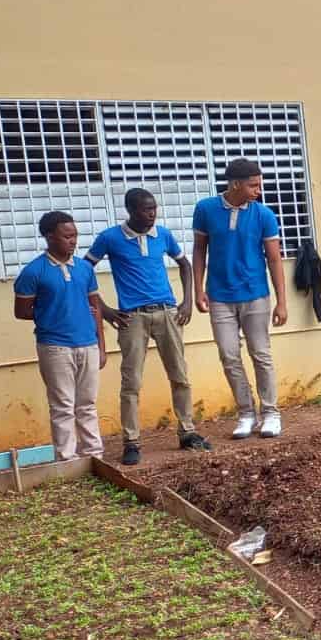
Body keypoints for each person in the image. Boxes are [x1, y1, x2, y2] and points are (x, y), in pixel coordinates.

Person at [86, 189, 211, 465]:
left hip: (167, 313)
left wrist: (187, 301)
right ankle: (131, 441)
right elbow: (85, 271)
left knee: (180, 375)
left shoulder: (163, 234)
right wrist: (105, 310)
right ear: (131, 210)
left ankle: (187, 432)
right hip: (132, 317)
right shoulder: (110, 238)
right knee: (131, 381)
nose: (152, 213)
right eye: (146, 209)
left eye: (154, 208)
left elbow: (185, 264)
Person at [192, 158, 288, 440]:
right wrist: (198, 289)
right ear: (235, 184)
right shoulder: (206, 209)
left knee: (261, 354)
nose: (259, 189)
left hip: (255, 294)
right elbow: (199, 252)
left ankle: (271, 413)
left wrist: (282, 301)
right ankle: (246, 414)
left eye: (259, 184)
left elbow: (274, 258)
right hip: (219, 296)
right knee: (229, 355)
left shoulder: (264, 215)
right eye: (253, 185)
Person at [12, 211, 107, 461]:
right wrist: (54, 312)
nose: (73, 241)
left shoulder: (85, 269)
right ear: (49, 237)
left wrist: (102, 346)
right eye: (67, 236)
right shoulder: (34, 272)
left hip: (88, 344)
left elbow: (95, 308)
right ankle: (67, 459)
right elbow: (21, 311)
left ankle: (93, 455)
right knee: (63, 406)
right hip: (55, 346)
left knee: (87, 404)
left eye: (75, 235)